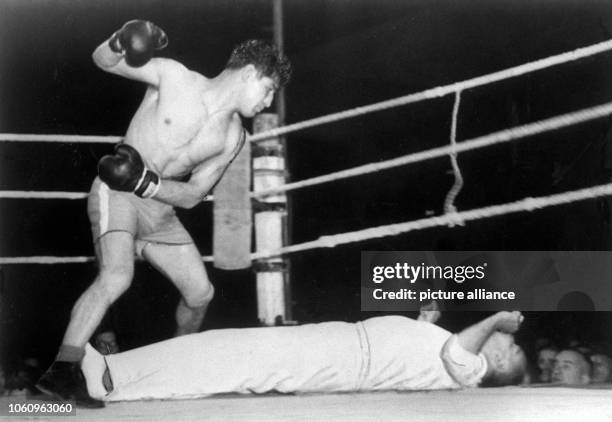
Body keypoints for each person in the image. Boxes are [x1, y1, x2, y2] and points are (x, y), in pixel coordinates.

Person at [37, 20, 292, 407]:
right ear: (251, 73)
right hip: (118, 192)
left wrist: (147, 183)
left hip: (160, 209)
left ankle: (178, 362)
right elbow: (103, 61)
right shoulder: (175, 77)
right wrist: (119, 40)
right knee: (118, 275)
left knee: (201, 292)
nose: (268, 102)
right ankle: (62, 369)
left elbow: (191, 195)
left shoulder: (233, 137)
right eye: (269, 88)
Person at [79, 311, 527, 401]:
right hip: (343, 347)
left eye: (515, 345)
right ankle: (116, 372)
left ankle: (114, 381)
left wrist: (497, 319)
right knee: (223, 351)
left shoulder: (475, 371)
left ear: (502, 363)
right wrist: (423, 322)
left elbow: (455, 352)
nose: (511, 339)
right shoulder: (465, 356)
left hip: (345, 359)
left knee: (230, 360)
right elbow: (441, 347)